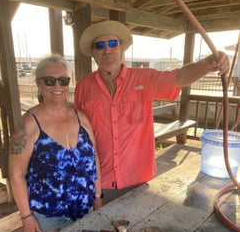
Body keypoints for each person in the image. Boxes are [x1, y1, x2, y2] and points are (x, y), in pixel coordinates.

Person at [75, 20, 230, 203]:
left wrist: (207, 63)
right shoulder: (84, 85)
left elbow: (178, 76)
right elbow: (78, 132)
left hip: (139, 180)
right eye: (100, 45)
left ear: (121, 48)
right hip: (100, 183)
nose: (107, 50)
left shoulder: (144, 78)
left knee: (138, 230)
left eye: (113, 43)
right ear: (93, 53)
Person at [9, 54, 102, 232]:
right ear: (39, 84)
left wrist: (98, 197)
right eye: (50, 80)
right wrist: (26, 216)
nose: (57, 86)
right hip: (48, 216)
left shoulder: (80, 117)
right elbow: (16, 174)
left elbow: (94, 157)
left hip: (85, 207)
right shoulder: (29, 124)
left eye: (63, 80)